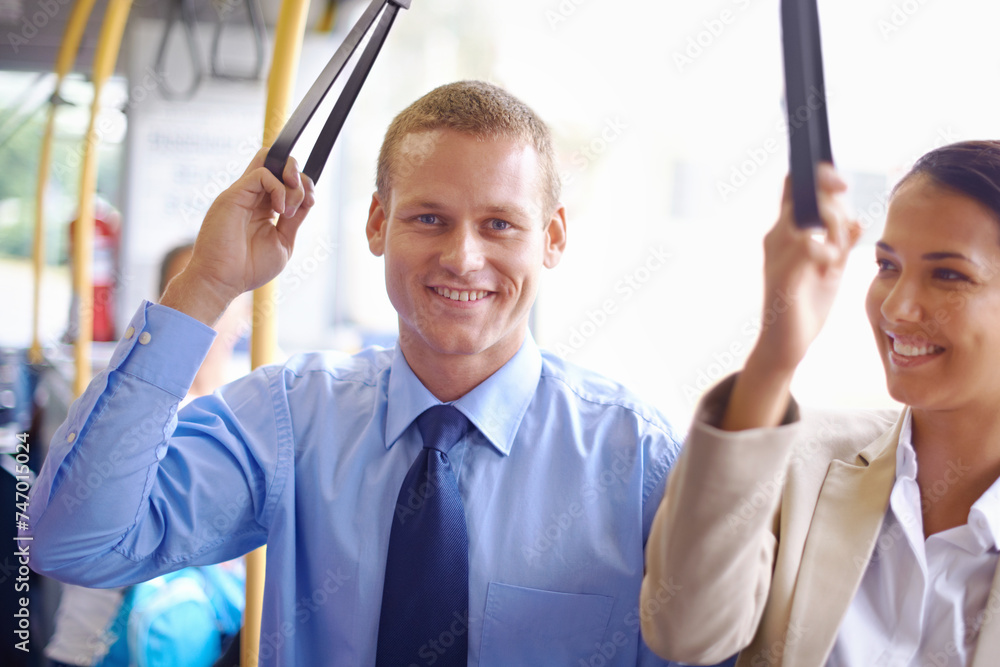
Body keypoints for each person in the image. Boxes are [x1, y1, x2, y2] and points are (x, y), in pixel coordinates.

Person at [26, 81, 703, 666]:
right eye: (429, 218)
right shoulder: (291, 417)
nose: (463, 257)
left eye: (499, 224)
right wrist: (205, 282)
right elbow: (73, 541)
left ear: (553, 237)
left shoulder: (635, 458)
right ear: (378, 223)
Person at [641, 140, 1000, 666]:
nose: (898, 307)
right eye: (886, 265)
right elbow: (686, 630)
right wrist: (774, 357)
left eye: (948, 274)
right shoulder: (794, 461)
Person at [43, 242, 248, 667]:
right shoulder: (132, 410)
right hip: (94, 647)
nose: (214, 307)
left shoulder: (252, 415)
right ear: (172, 304)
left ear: (244, 316)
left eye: (226, 294)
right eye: (201, 290)